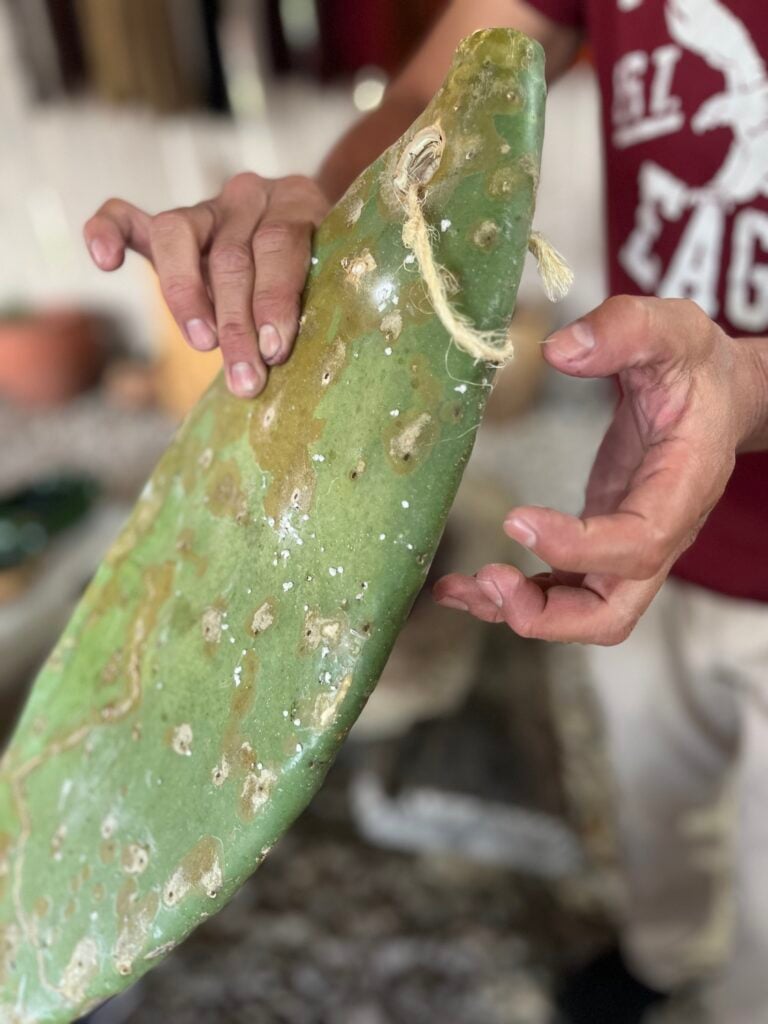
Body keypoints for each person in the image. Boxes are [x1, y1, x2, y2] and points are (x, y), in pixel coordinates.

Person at [84, 2, 768, 1021]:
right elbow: (428, 96)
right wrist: (329, 212)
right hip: (647, 505)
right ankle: (665, 957)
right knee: (655, 792)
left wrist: (747, 386)